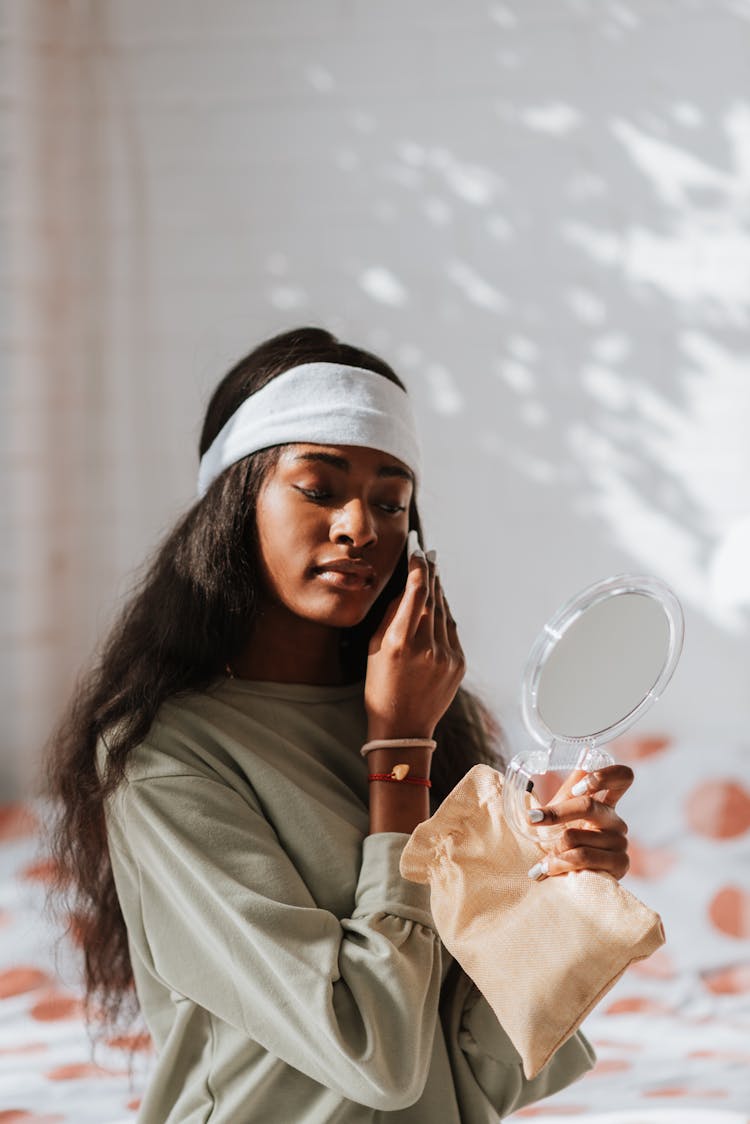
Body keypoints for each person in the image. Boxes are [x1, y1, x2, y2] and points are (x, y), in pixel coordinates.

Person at [45, 326, 633, 1123]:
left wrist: (563, 895)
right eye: (320, 489)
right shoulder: (163, 754)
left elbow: (488, 1070)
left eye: (391, 501)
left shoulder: (432, 725)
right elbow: (376, 1058)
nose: (362, 526)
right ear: (234, 502)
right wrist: (395, 757)